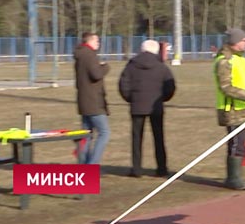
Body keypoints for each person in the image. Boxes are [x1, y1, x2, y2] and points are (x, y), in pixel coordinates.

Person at [214, 28, 245, 190]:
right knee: (236, 144)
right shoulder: (225, 60)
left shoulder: (239, 58)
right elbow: (226, 87)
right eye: (243, 40)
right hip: (233, 110)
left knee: (240, 143)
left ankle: (236, 177)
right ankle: (234, 179)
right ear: (235, 42)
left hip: (244, 109)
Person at [119, 39, 176, 178]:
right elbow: (170, 86)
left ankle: (136, 169)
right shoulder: (161, 66)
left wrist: (130, 98)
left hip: (137, 105)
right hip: (156, 106)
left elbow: (123, 84)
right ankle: (162, 168)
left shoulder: (131, 65)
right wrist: (162, 99)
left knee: (137, 138)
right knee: (159, 137)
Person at [74, 32, 110, 165]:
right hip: (94, 101)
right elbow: (96, 74)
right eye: (96, 41)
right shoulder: (89, 55)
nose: (98, 44)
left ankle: (83, 163)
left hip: (83, 100)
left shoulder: (80, 54)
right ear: (89, 42)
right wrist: (105, 67)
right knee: (104, 133)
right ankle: (92, 164)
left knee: (86, 135)